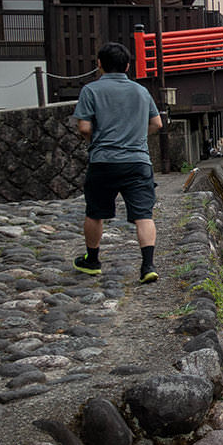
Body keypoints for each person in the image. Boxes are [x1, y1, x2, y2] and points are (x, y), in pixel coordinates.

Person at [72, 42, 163, 283]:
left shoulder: (90, 91)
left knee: (95, 212)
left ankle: (92, 260)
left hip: (103, 161)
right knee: (144, 214)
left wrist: (96, 138)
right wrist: (136, 136)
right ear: (128, 65)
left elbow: (83, 126)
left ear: (99, 64)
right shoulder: (141, 91)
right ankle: (148, 265)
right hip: (138, 161)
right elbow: (157, 124)